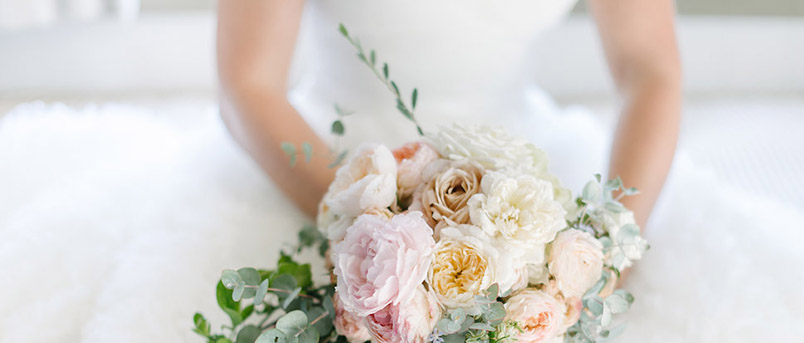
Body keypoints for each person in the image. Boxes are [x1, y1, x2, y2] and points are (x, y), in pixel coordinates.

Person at [216, 0, 681, 231]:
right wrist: (368, 232)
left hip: (524, 180)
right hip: (319, 170)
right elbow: (248, 85)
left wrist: (606, 252)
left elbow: (650, 71)